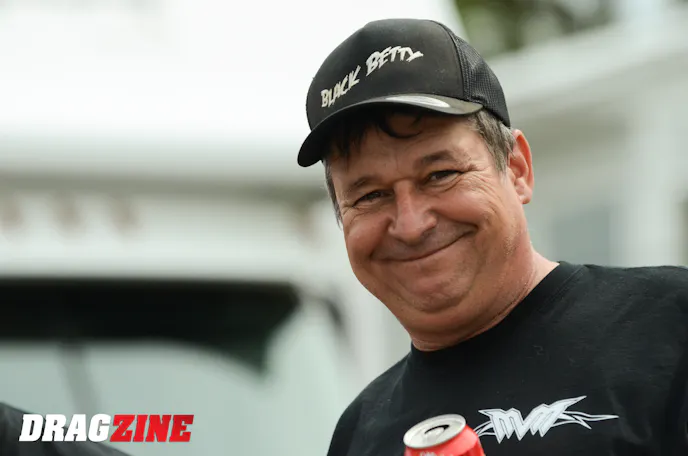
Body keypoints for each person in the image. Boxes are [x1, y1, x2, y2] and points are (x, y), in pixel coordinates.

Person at [296, 18, 688, 456]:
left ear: (517, 169)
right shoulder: (359, 434)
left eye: (440, 174)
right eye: (370, 196)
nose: (411, 224)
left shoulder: (670, 327)